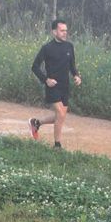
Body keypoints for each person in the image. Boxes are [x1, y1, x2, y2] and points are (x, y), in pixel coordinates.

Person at [28, 19, 81, 149]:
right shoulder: (47, 48)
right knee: (61, 115)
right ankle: (57, 146)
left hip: (65, 86)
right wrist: (46, 80)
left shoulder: (69, 46)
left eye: (66, 31)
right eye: (62, 30)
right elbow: (34, 67)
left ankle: (36, 123)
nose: (65, 33)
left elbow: (72, 65)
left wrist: (76, 75)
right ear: (54, 32)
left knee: (60, 116)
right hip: (52, 86)